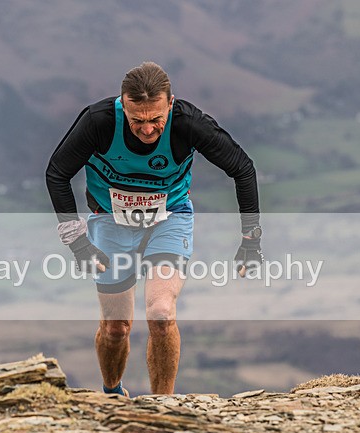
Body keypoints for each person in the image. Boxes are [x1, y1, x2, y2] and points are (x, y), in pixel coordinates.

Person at [46, 61, 262, 396]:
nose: (147, 130)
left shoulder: (188, 122)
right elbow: (57, 173)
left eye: (156, 119)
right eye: (137, 121)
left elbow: (242, 168)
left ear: (170, 104)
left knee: (161, 314)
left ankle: (164, 404)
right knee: (116, 328)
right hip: (109, 220)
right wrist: (78, 244)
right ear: (123, 105)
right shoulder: (98, 121)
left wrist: (251, 239)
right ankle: (112, 391)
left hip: (169, 217)